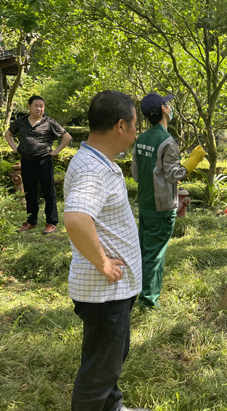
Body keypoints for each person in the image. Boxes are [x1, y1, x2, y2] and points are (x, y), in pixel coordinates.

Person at [63, 90, 151, 411]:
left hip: (111, 290)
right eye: (135, 124)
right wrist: (102, 262)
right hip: (105, 290)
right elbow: (75, 218)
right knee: (99, 371)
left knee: (107, 360)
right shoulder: (93, 169)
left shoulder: (95, 160)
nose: (136, 130)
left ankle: (112, 407)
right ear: (120, 126)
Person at [131, 93, 205, 309]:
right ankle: (148, 302)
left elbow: (135, 173)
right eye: (168, 105)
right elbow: (173, 174)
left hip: (145, 204)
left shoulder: (141, 139)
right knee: (155, 254)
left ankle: (142, 292)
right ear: (163, 109)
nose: (170, 107)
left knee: (147, 251)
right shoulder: (167, 141)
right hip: (161, 206)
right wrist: (191, 164)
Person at [5, 95, 72, 234]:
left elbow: (67, 137)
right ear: (29, 106)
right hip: (27, 161)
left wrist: (55, 151)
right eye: (36, 106)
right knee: (30, 192)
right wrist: (15, 149)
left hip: (44, 161)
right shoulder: (20, 122)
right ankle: (31, 221)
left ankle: (51, 222)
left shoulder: (49, 122)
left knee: (49, 193)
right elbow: (8, 135)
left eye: (41, 106)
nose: (39, 109)